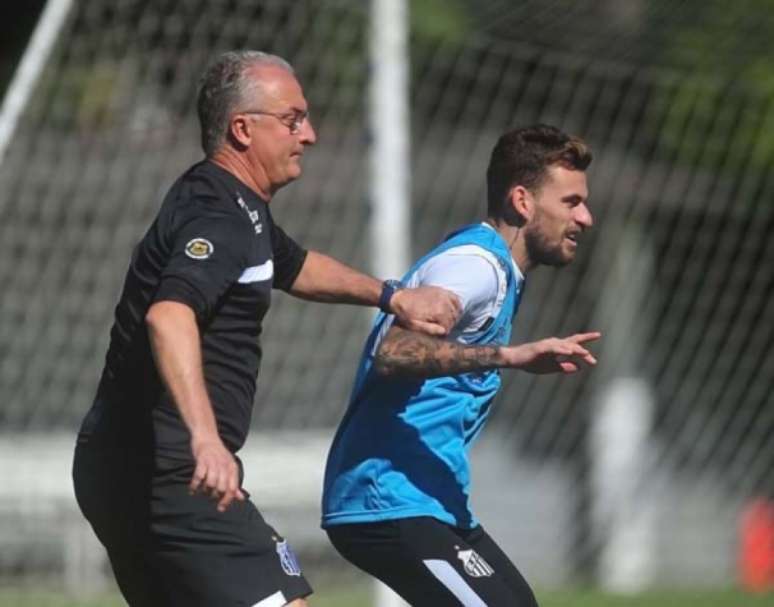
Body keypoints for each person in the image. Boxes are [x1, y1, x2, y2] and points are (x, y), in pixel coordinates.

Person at [71, 50, 460, 607]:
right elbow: (169, 314)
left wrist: (393, 295)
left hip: (119, 462)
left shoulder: (230, 202)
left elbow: (295, 265)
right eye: (293, 119)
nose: (311, 134)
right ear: (243, 130)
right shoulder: (220, 217)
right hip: (173, 469)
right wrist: (206, 440)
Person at [321, 124, 601, 606]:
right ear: (523, 201)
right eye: (571, 202)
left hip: (433, 502)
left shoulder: (499, 271)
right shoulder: (476, 268)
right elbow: (395, 352)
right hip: (385, 500)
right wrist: (511, 357)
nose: (586, 217)